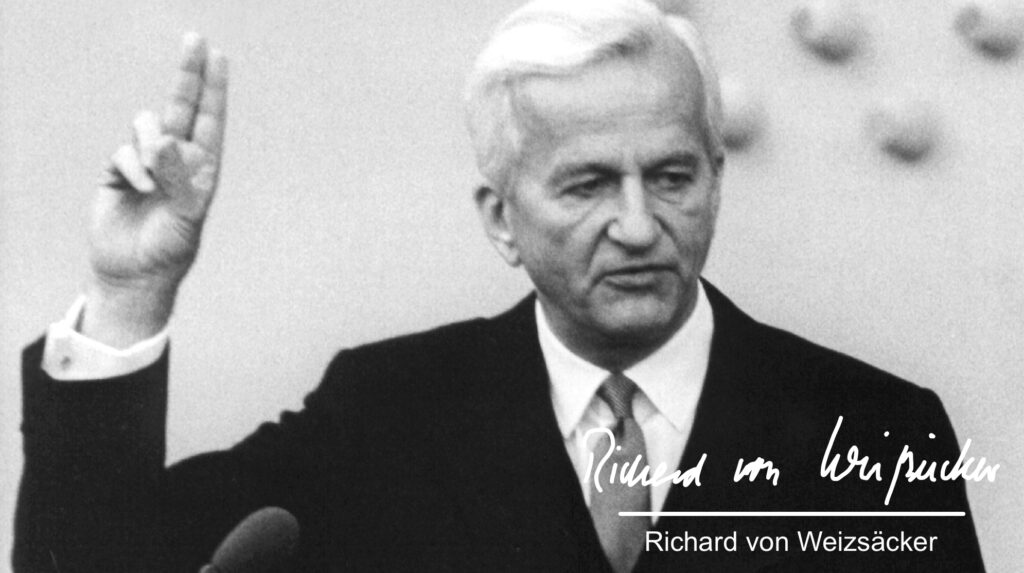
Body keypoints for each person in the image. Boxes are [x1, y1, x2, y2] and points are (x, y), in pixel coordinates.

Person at [15, 0, 984, 571]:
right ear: (500, 219)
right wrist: (132, 292)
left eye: (671, 176)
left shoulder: (874, 431)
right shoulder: (384, 412)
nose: (638, 224)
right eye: (587, 184)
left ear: (716, 181)